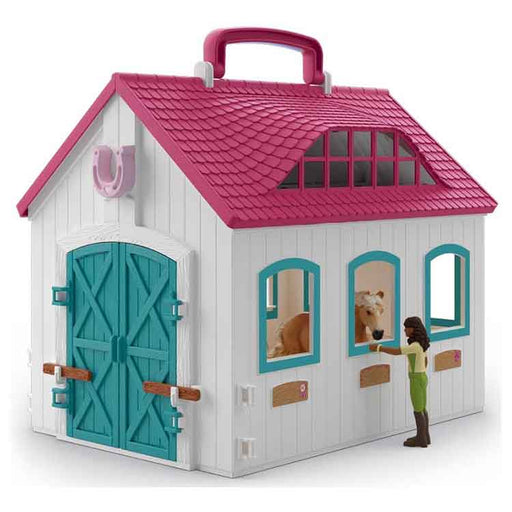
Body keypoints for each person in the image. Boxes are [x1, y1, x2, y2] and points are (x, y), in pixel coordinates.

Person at [369, 316, 431, 447]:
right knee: (422, 408)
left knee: (417, 409)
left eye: (406, 328)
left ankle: (421, 439)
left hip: (416, 378)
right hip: (422, 377)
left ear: (413, 329)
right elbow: (426, 361)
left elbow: (397, 351)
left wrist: (379, 348)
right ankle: (425, 436)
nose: (404, 330)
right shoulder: (421, 345)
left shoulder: (415, 346)